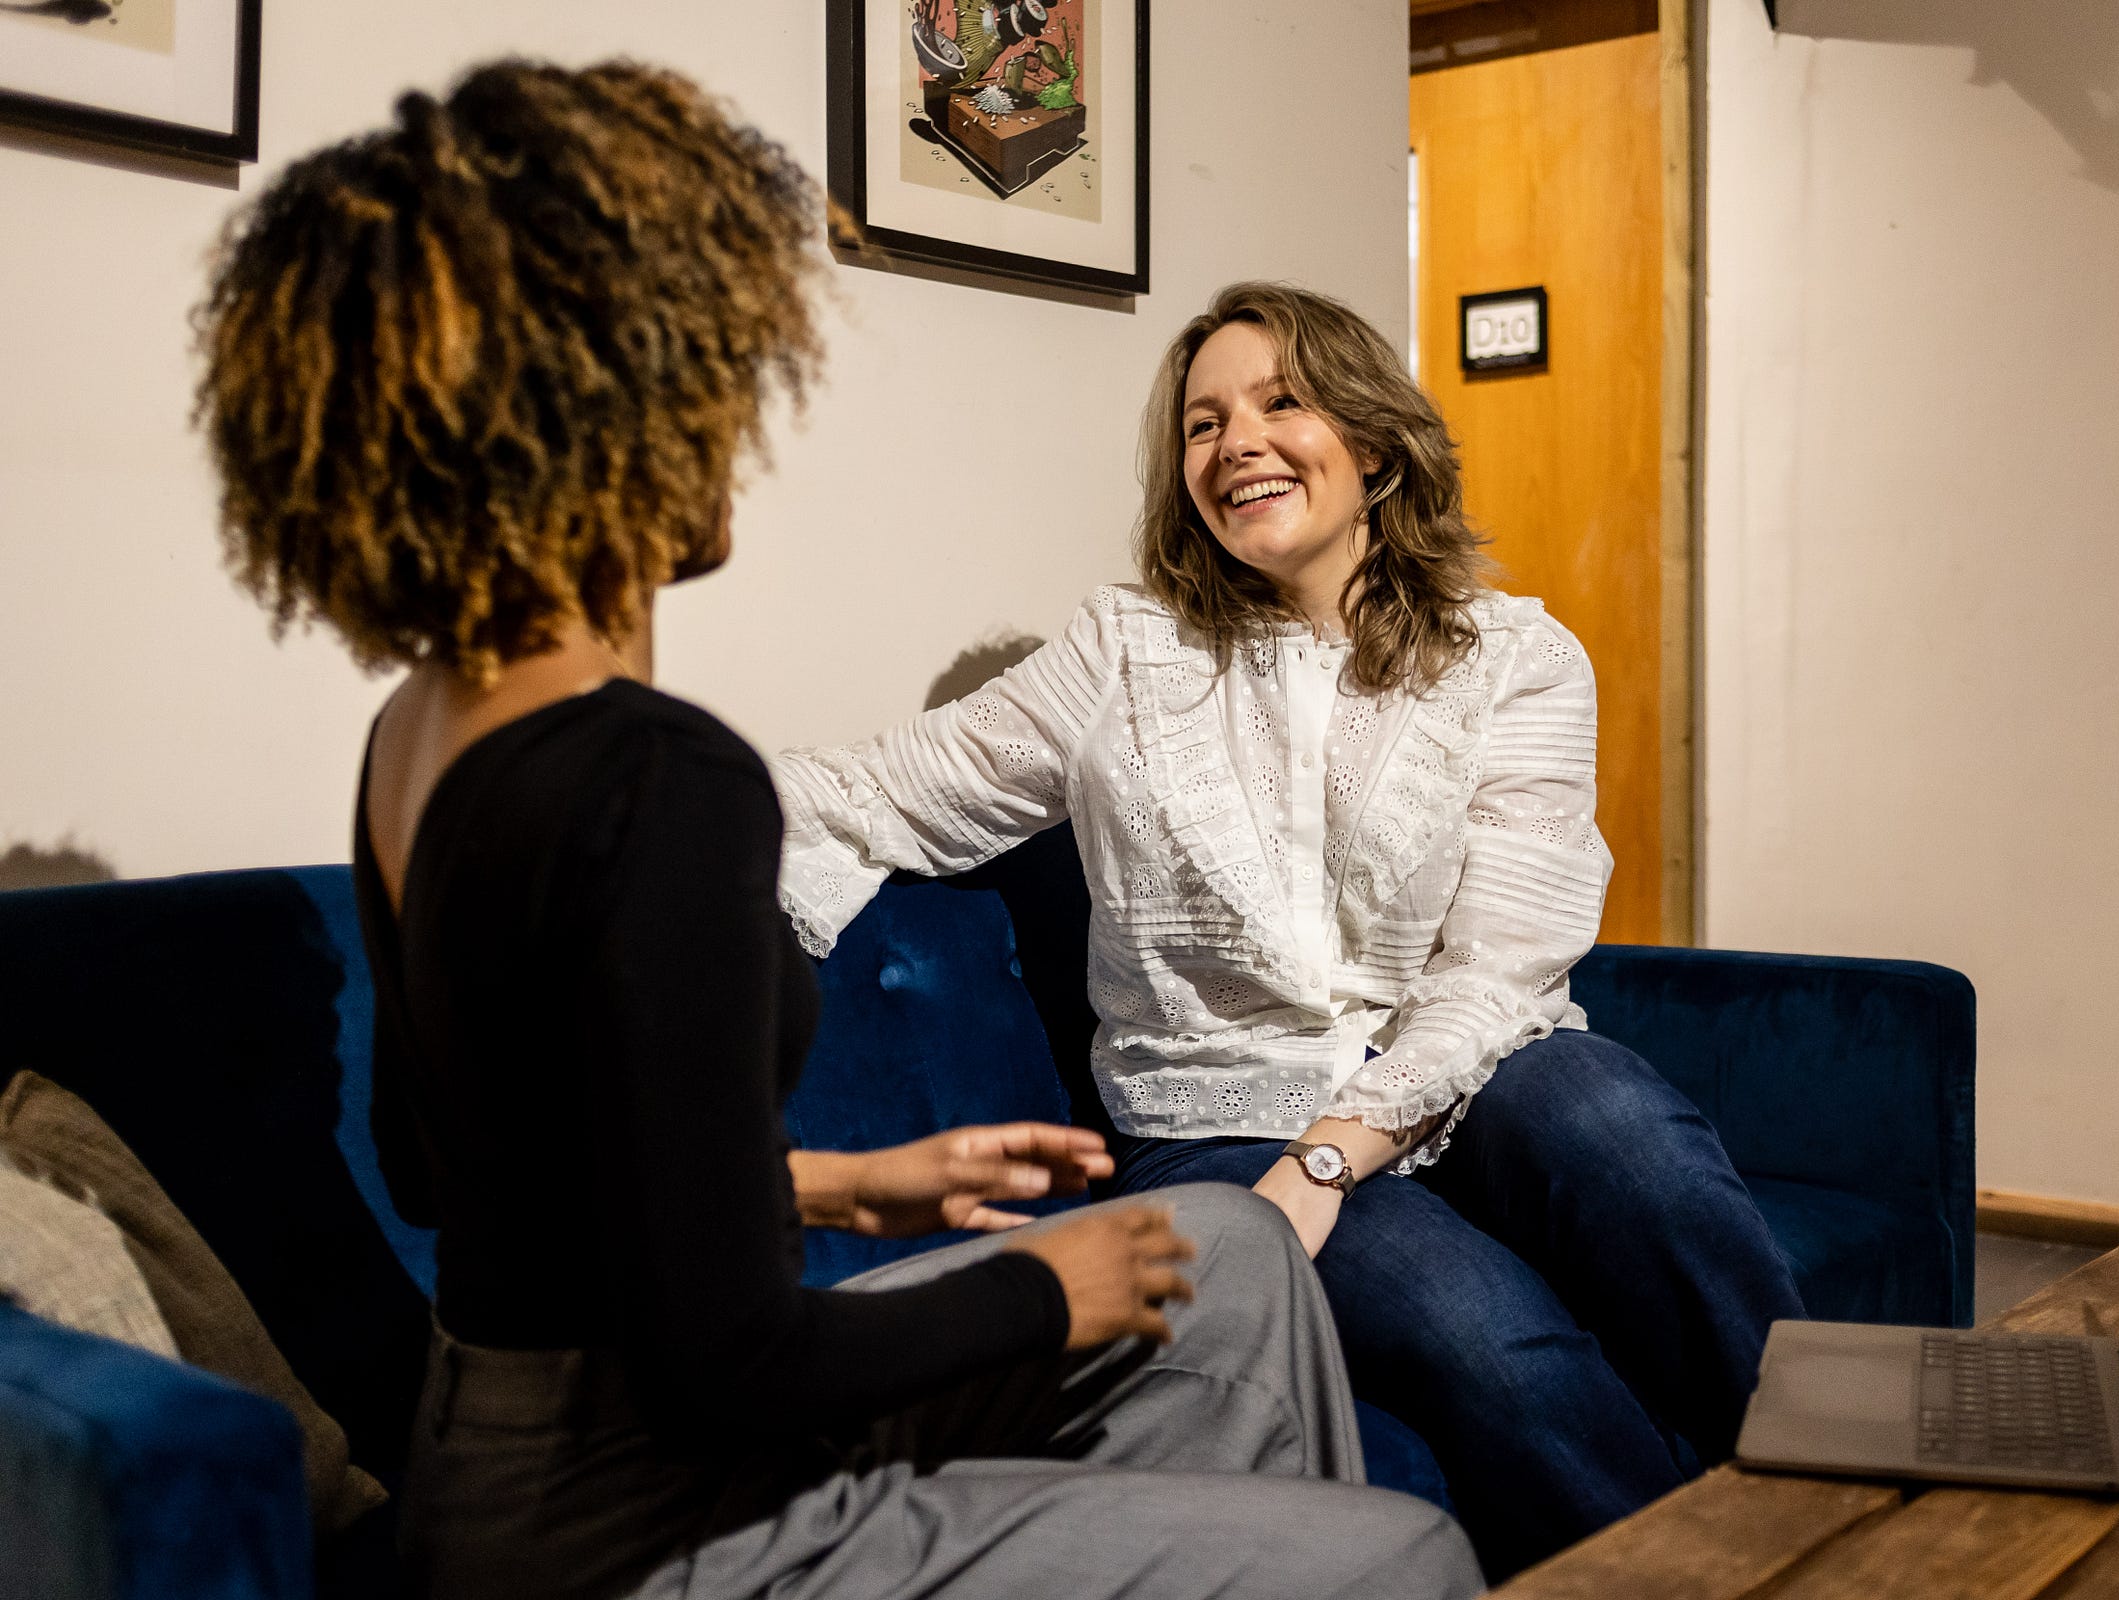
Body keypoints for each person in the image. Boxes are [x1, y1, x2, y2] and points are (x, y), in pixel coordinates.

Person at [193, 64, 1480, 1600]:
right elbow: (735, 1363)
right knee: (1401, 1554)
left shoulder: (418, 727)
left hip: (501, 1464)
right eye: (713, 373)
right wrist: (1037, 1288)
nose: (743, 417)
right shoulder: (661, 784)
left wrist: (835, 1186)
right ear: (605, 412)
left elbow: (446, 1165)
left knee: (1231, 1250)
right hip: (648, 1522)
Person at [774, 280, 1808, 1578]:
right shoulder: (1124, 655)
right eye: (1202, 425)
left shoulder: (1517, 659)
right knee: (1478, 1329)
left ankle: (1841, 1501)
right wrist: (603, 818)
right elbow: (872, 786)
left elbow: (1502, 970)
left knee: (1619, 1128)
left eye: (1281, 401)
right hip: (1219, 1125)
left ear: (1372, 442)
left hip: (1459, 1078)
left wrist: (1331, 1159)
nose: (1236, 442)